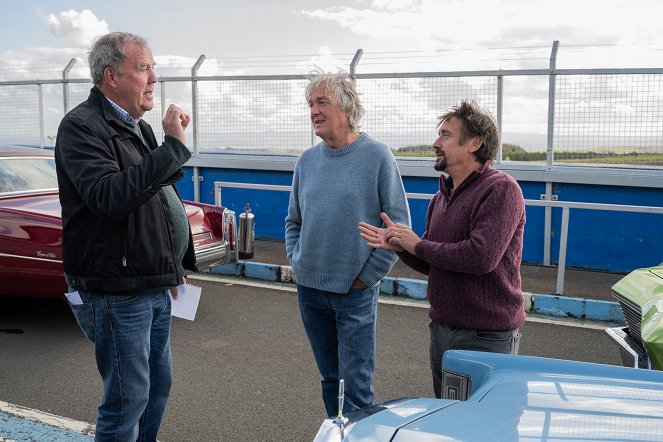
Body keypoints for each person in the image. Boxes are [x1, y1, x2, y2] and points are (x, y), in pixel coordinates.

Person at [55, 32, 194, 441]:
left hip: (152, 282)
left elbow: (158, 205)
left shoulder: (138, 128)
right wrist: (171, 148)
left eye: (152, 67)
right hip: (117, 290)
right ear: (111, 76)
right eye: (143, 67)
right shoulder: (81, 126)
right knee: (126, 401)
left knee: (156, 389)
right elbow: (109, 198)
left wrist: (173, 267)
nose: (154, 77)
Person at [359, 99, 526, 398]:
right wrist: (399, 245)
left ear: (475, 142)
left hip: (486, 336)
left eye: (446, 135)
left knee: (484, 426)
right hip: (442, 330)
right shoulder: (440, 198)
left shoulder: (501, 189)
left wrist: (418, 244)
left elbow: (480, 257)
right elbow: (431, 262)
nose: (436, 143)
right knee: (449, 419)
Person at [285, 70, 410, 417]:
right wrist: (298, 261)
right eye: (311, 103)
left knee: (355, 386)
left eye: (322, 101)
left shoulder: (377, 156)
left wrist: (365, 278)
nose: (314, 110)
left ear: (346, 107)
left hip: (354, 292)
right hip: (309, 289)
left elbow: (398, 227)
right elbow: (293, 221)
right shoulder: (306, 161)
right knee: (330, 379)